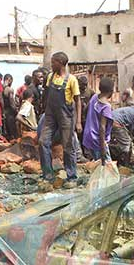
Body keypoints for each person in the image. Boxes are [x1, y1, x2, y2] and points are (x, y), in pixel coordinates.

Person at [39, 52, 81, 188]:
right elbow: (46, 95)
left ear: (61, 63)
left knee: (68, 146)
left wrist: (78, 121)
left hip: (66, 116)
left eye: (53, 62)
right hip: (50, 115)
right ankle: (48, 175)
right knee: (43, 142)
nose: (51, 65)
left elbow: (78, 101)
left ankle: (72, 177)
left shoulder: (71, 80)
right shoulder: (50, 77)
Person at [82, 77, 114, 164]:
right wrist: (103, 149)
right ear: (111, 91)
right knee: (106, 165)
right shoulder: (106, 106)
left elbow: (85, 109)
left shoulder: (94, 97)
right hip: (98, 140)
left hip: (88, 136)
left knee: (97, 162)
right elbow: (102, 128)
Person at [2, 74, 18, 140]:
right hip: (10, 113)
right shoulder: (9, 90)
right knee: (12, 132)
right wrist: (16, 111)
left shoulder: (0, 88)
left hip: (3, 112)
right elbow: (11, 103)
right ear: (9, 80)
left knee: (6, 132)